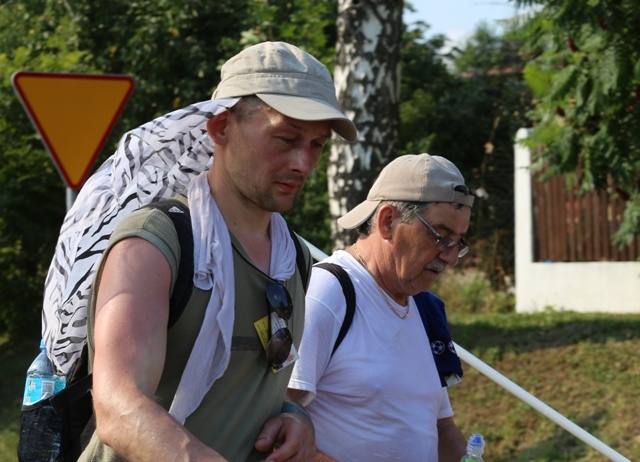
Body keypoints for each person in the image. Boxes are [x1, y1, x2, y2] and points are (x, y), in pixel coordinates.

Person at [78, 41, 357, 462]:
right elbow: (118, 407)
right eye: (285, 137)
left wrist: (295, 416)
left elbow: (249, 388)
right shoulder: (158, 243)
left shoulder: (292, 257)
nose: (304, 163)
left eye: (317, 144)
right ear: (221, 128)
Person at [288, 153, 472, 461]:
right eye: (441, 236)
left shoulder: (424, 307)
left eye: (459, 242)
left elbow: (440, 428)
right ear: (388, 221)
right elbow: (272, 424)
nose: (451, 257)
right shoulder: (328, 293)